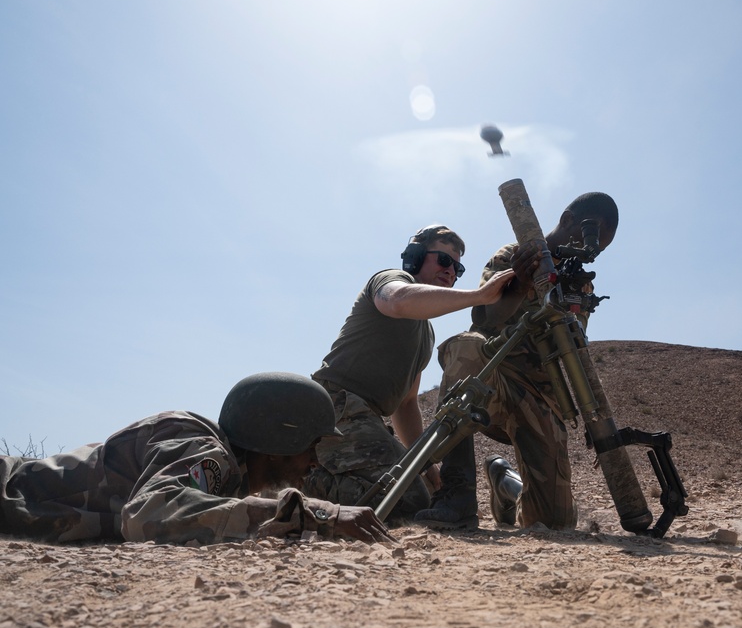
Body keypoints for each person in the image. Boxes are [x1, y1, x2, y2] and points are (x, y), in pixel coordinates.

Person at [414, 193, 620, 530]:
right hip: (494, 382)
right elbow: (483, 317)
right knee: (466, 347)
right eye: (588, 234)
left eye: (599, 245)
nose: (590, 248)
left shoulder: (579, 284)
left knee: (554, 523)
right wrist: (521, 285)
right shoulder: (512, 256)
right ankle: (457, 494)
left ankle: (504, 482)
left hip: (540, 397)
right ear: (568, 221)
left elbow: (571, 349)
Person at [0, 372, 394, 545]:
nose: (316, 460)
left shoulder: (225, 475)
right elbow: (147, 513)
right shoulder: (202, 447)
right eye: (312, 444)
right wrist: (319, 515)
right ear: (276, 442)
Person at [305, 225, 514, 520]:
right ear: (415, 257)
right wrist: (480, 296)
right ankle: (294, 480)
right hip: (333, 407)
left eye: (457, 267)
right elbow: (398, 300)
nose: (451, 271)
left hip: (363, 418)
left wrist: (427, 467)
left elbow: (406, 404)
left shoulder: (425, 332)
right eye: (443, 260)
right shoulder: (391, 280)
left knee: (428, 499)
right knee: (405, 503)